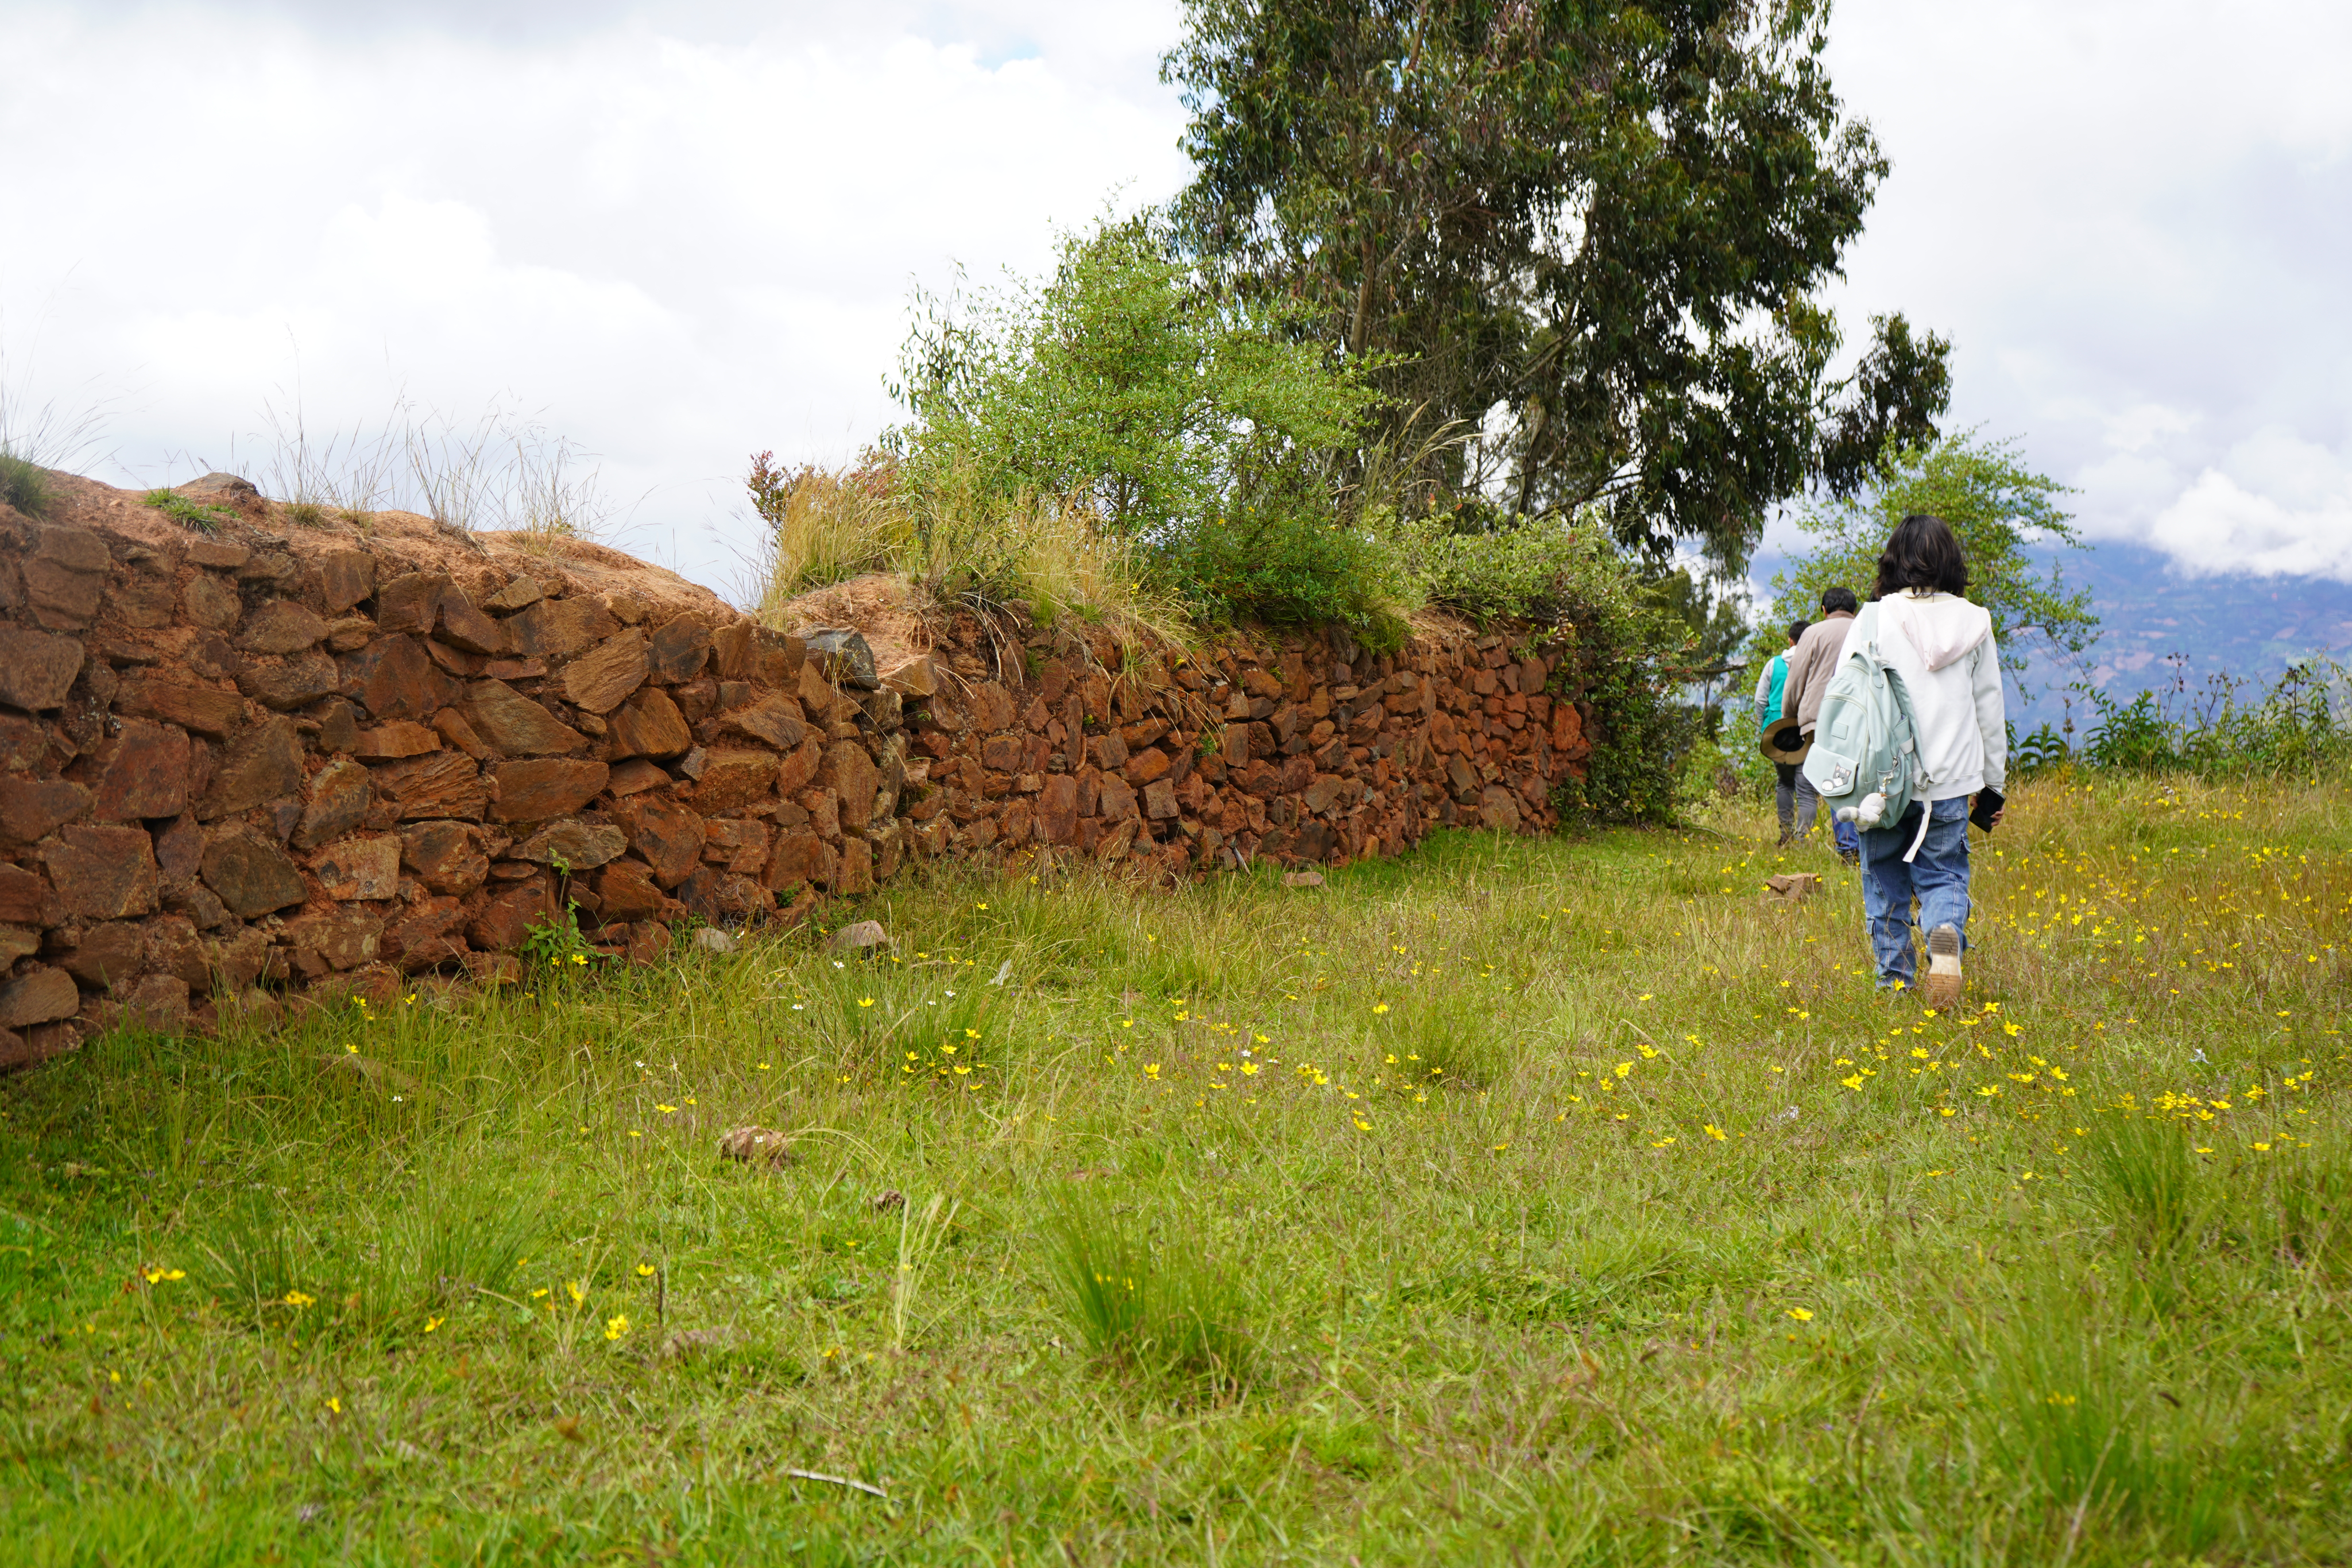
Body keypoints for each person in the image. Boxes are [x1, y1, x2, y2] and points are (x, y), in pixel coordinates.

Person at [1842, 513, 2007, 1006]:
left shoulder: (1872, 618)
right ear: (1952, 563)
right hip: (1951, 781)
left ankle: (1894, 983)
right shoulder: (1975, 620)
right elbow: (1990, 710)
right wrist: (1993, 786)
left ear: (1894, 561)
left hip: (1882, 780)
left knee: (1883, 876)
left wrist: (1843, 775)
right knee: (1944, 873)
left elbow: (1844, 697)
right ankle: (1945, 936)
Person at [1778, 588, 1865, 862]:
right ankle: (1866, 842)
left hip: (1822, 718)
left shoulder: (1813, 633)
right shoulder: (1867, 629)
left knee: (1835, 778)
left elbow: (1795, 681)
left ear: (1824, 610)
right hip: (1864, 716)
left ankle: (1848, 845)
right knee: (1865, 778)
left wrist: (1790, 716)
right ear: (1855, 609)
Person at [1755, 620, 1806, 843]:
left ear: (1790, 640)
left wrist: (1763, 727)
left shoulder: (1773, 664)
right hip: (1806, 730)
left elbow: (1760, 699)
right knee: (1805, 787)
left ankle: (1785, 835)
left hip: (1777, 731)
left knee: (1785, 783)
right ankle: (1804, 838)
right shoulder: (1812, 664)